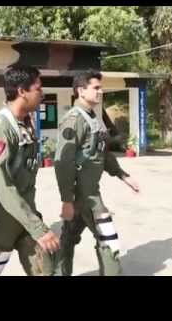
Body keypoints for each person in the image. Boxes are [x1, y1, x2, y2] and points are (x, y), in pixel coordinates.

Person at [0, 66, 60, 276]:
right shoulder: (0, 127)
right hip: (4, 219)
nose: (42, 93)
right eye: (38, 88)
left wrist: (34, 223)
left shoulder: (25, 122)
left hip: (26, 213)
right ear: (22, 91)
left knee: (46, 269)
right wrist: (38, 228)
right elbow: (3, 186)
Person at [54, 70, 140, 276]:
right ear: (81, 91)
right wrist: (66, 200)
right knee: (108, 239)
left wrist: (122, 175)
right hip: (86, 196)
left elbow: (100, 151)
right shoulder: (74, 120)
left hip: (87, 192)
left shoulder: (92, 116)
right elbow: (62, 162)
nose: (100, 92)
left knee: (68, 238)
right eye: (96, 88)